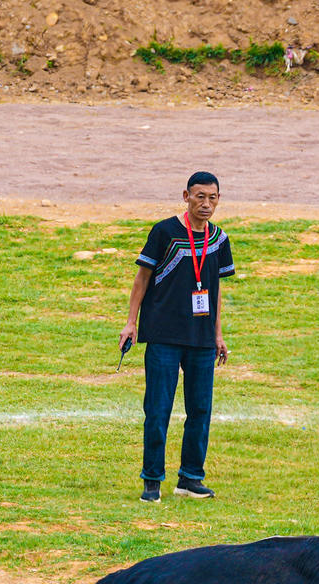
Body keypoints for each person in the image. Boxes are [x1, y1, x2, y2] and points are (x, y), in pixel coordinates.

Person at [120, 171, 235, 502]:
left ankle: (190, 479)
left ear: (219, 200)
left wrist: (218, 334)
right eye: (200, 196)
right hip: (163, 335)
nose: (206, 204)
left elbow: (215, 289)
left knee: (200, 410)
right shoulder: (165, 232)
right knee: (158, 409)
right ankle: (152, 480)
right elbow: (142, 278)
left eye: (212, 198)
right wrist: (131, 323)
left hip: (201, 339)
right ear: (186, 197)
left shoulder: (219, 240)